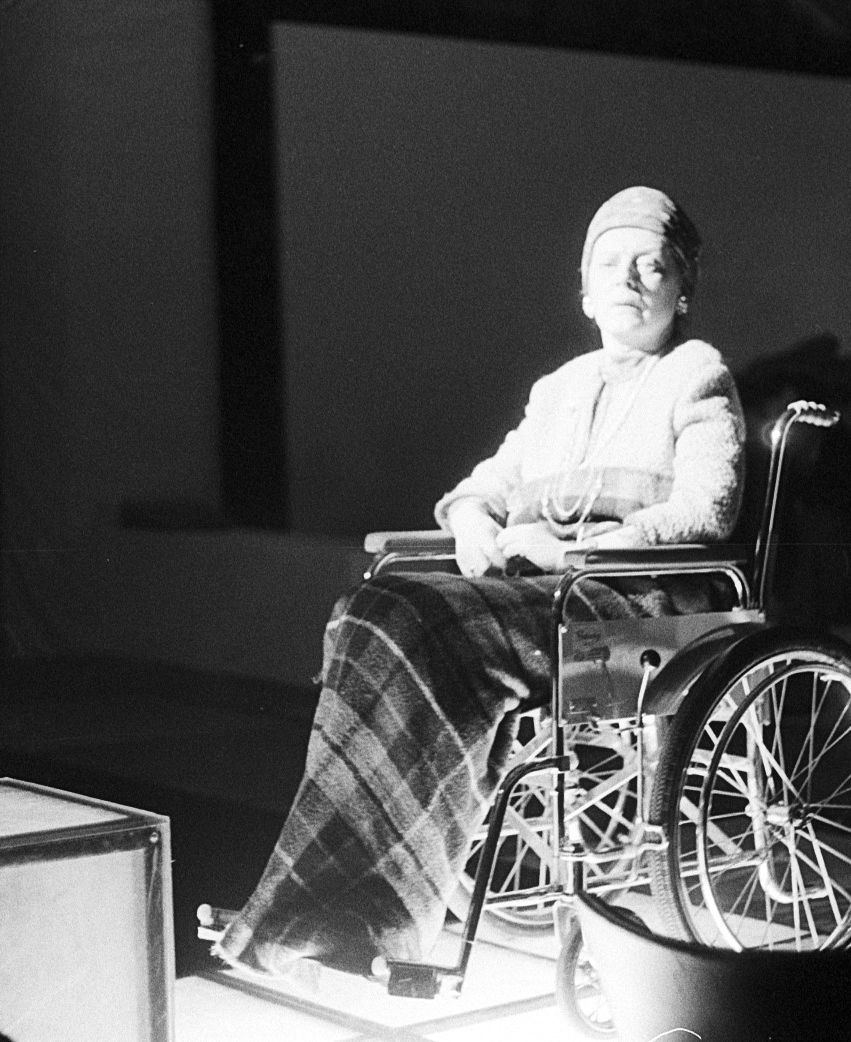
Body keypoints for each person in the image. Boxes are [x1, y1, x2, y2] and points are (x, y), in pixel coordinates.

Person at [214, 186, 746, 985]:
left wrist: (572, 552)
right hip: (542, 602)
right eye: (609, 263)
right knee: (372, 610)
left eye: (651, 265)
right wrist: (472, 525)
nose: (628, 278)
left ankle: (358, 915)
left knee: (422, 623)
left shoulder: (695, 374)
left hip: (637, 611)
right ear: (583, 289)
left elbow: (705, 510)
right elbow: (481, 488)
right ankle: (325, 912)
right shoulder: (558, 389)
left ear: (683, 288)